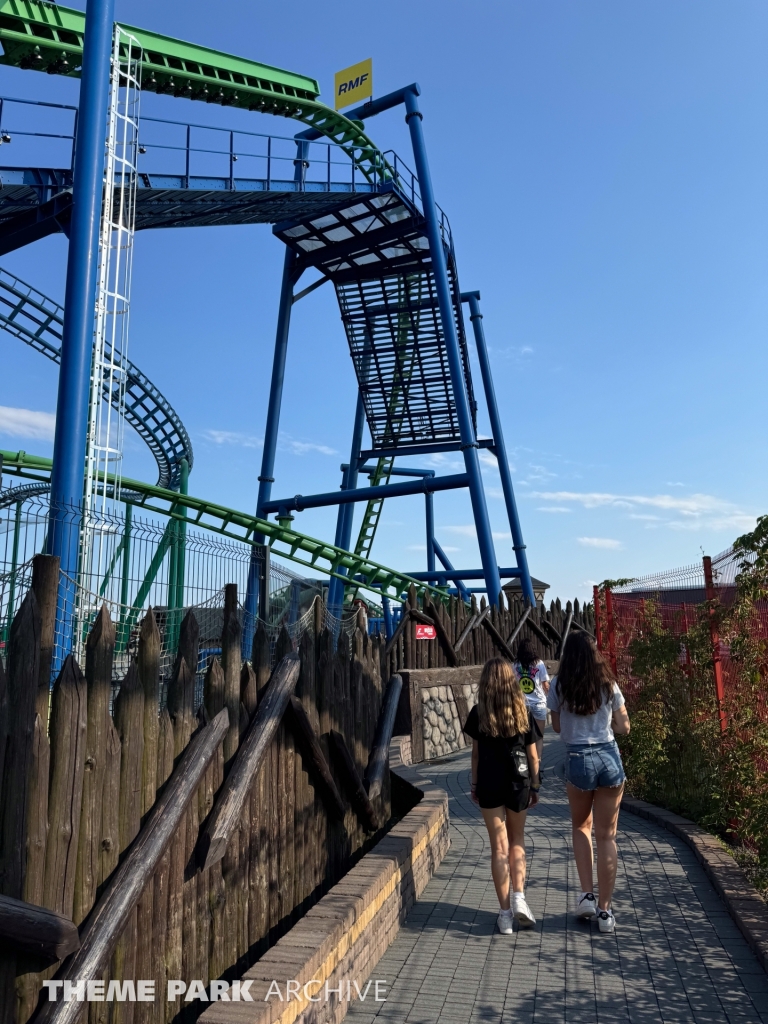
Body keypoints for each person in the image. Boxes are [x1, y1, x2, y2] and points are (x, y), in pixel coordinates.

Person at [546, 631, 631, 934]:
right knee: (607, 837)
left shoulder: (559, 684)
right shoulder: (608, 683)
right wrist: (606, 721)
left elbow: (557, 727)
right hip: (609, 757)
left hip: (578, 758)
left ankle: (586, 896)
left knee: (582, 827)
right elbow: (624, 726)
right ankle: (605, 912)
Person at [463, 657, 541, 933]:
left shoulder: (478, 713)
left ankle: (505, 915)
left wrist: (474, 785)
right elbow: (533, 755)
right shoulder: (523, 711)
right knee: (517, 841)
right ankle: (519, 897)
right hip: (519, 782)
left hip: (489, 782)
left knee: (498, 847)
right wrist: (535, 786)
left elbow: (475, 754)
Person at [513, 638, 550, 765]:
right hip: (539, 704)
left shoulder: (515, 665)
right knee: (539, 736)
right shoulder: (539, 663)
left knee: (524, 736)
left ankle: (526, 763)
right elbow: (545, 685)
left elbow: (513, 685)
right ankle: (537, 764)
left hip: (522, 705)